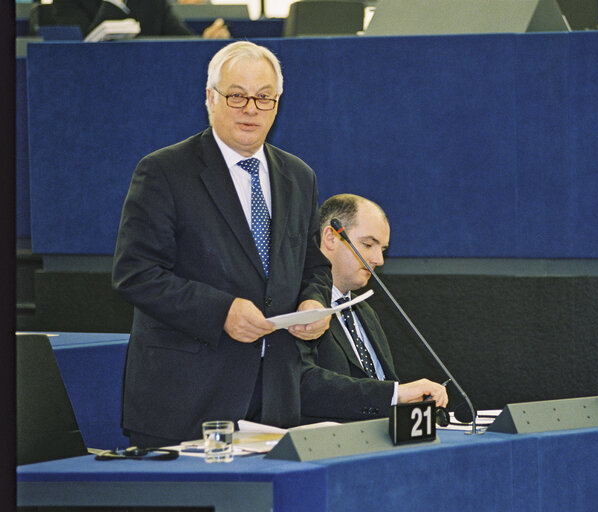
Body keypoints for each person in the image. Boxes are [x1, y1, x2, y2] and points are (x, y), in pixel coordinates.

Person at [112, 41, 333, 448]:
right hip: (187, 400)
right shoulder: (164, 171)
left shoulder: (299, 176)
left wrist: (314, 304)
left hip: (275, 399)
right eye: (237, 95)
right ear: (210, 98)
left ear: (277, 104)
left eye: (263, 97)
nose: (250, 108)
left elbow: (314, 268)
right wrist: (221, 311)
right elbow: (136, 274)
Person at [299, 194, 448, 423]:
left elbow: (379, 384)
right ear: (331, 237)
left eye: (383, 248)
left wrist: (409, 403)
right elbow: (304, 386)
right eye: (368, 244)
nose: (379, 259)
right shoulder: (299, 308)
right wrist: (395, 394)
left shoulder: (365, 312)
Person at [52, 0, 231, 39]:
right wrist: (114, 3)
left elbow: (181, 40)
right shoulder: (67, 2)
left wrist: (206, 41)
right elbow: (78, 55)